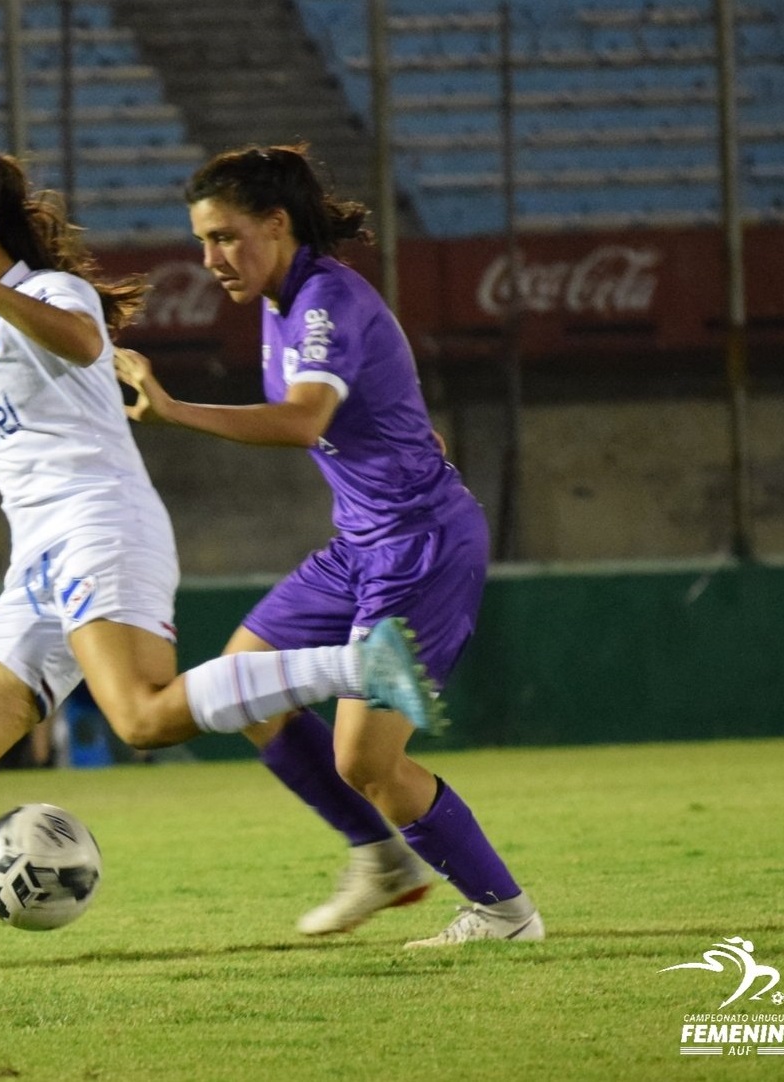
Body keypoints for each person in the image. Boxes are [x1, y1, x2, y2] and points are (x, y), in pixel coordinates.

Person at [0, 146, 443, 989]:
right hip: (38, 561)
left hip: (102, 533)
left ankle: (358, 666)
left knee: (143, 719)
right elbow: (41, 411)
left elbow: (82, 344)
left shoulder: (48, 294)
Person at [112, 144, 543, 947]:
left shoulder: (320, 303)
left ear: (276, 225)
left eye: (225, 236)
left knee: (365, 763)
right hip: (360, 546)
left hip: (417, 549)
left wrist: (173, 412)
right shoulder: (285, 303)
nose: (210, 260)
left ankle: (504, 914)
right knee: (245, 680)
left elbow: (304, 418)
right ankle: (380, 860)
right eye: (201, 241)